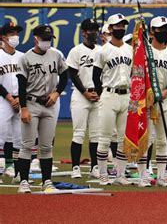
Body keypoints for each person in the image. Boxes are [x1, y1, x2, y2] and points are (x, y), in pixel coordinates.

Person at [17, 25, 68, 193]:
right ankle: (24, 181)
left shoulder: (56, 54)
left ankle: (47, 181)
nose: (47, 42)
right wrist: (23, 108)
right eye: (44, 39)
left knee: (46, 146)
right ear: (35, 39)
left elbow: (65, 76)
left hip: (49, 105)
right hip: (31, 103)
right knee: (27, 145)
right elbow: (21, 86)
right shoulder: (26, 58)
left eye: (49, 39)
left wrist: (57, 93)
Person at [138, 16, 167, 187]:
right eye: (160, 29)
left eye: (166, 28)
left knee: (164, 140)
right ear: (151, 32)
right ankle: (143, 175)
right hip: (146, 102)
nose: (164, 32)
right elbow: (138, 74)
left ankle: (162, 175)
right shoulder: (144, 51)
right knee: (145, 139)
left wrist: (166, 91)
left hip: (163, 101)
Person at [93, 14, 132, 186]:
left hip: (127, 95)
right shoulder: (103, 50)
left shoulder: (130, 49)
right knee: (105, 138)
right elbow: (95, 77)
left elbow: (134, 74)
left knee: (124, 139)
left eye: (123, 25)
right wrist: (102, 94)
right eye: (117, 26)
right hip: (109, 94)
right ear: (110, 29)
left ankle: (120, 174)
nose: (120, 28)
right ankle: (103, 174)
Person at [66, 18, 101, 179]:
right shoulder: (76, 51)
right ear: (83, 32)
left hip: (97, 95)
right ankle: (75, 167)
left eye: (95, 29)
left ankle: (94, 166)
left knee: (96, 134)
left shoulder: (101, 50)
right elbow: (72, 74)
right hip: (81, 95)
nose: (93, 32)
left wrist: (98, 92)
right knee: (78, 133)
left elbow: (103, 74)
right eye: (90, 30)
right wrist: (85, 92)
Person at [0, 22, 24, 184]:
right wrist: (9, 97)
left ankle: (18, 173)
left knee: (19, 139)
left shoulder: (22, 56)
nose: (15, 36)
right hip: (3, 100)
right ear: (3, 37)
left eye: (16, 32)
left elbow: (26, 81)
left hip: (20, 100)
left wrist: (20, 98)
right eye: (11, 33)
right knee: (0, 138)